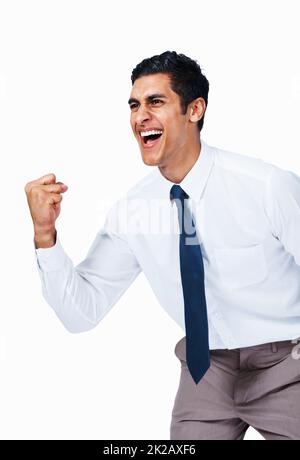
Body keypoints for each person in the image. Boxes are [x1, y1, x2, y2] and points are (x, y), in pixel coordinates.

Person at [24, 51, 300, 440]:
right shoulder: (133, 211)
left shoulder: (267, 187)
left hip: (288, 365)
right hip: (206, 372)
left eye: (156, 102)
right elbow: (80, 314)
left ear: (195, 110)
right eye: (135, 105)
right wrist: (44, 235)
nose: (140, 117)